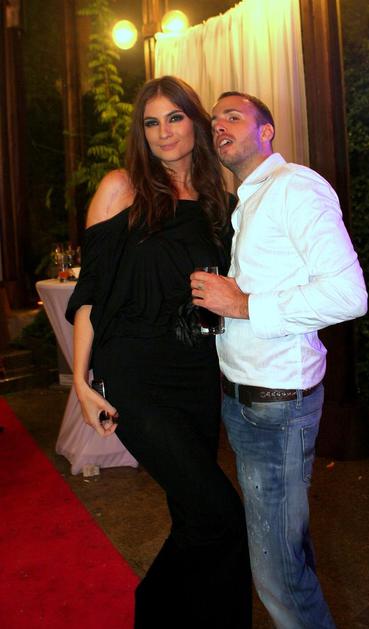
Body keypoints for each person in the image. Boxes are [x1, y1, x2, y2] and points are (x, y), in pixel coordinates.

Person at [65, 77, 252, 629]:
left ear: (196, 122)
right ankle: (152, 611)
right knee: (221, 514)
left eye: (174, 117)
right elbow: (90, 296)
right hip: (136, 375)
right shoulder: (121, 189)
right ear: (140, 133)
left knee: (194, 516)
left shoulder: (219, 202)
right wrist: (82, 383)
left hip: (197, 372)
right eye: (151, 122)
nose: (164, 132)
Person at [191, 91, 368, 628]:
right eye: (215, 120)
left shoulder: (295, 187)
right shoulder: (247, 200)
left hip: (278, 406)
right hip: (246, 402)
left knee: (277, 574)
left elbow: (348, 295)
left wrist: (243, 304)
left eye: (234, 116)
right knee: (287, 552)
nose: (219, 126)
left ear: (267, 131)